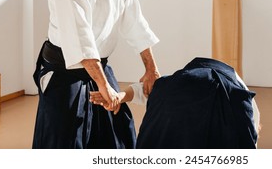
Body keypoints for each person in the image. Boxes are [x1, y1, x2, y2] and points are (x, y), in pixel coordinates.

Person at [31, 0, 160, 149]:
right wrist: (103, 85)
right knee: (64, 140)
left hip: (100, 65)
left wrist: (151, 68)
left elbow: (134, 20)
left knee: (118, 131)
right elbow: (79, 34)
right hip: (65, 71)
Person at [91, 57, 261, 148]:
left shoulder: (172, 86)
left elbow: (143, 89)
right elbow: (250, 139)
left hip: (177, 102)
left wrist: (120, 96)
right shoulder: (244, 104)